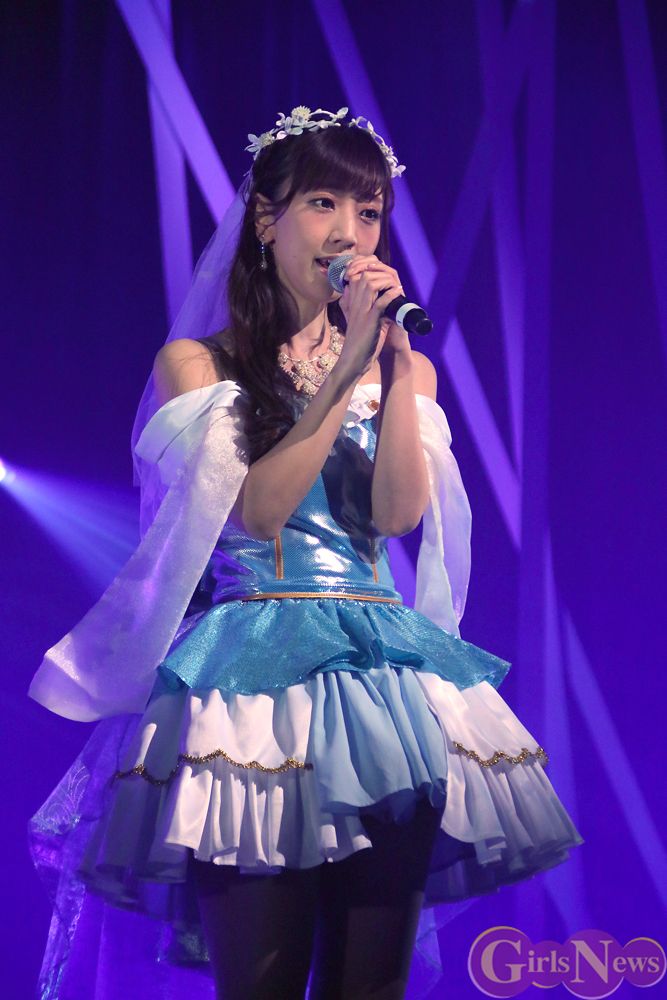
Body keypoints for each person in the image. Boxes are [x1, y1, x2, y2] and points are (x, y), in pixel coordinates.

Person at [29, 106, 583, 1000]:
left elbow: (397, 515)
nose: (348, 233)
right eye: (324, 203)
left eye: (368, 212)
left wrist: (389, 366)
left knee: (370, 982)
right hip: (249, 684)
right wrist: (342, 370)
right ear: (266, 219)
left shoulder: (402, 367)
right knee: (263, 980)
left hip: (380, 681)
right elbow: (256, 511)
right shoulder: (199, 365)